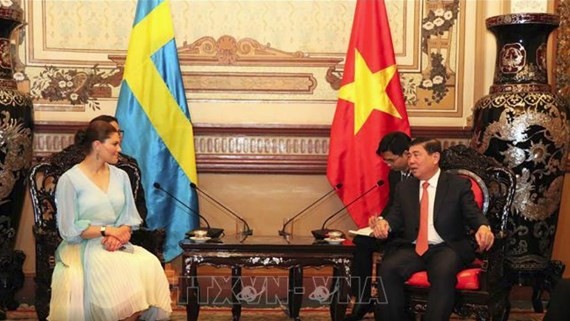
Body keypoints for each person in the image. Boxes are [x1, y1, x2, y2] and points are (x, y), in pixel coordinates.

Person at [48, 121, 171, 321]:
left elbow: (129, 217)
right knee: (118, 273)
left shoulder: (121, 176)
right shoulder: (69, 180)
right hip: (82, 246)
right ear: (97, 145)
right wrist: (107, 230)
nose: (119, 149)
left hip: (118, 244)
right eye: (114, 144)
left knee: (149, 263)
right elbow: (69, 229)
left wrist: (121, 234)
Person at [373, 138, 494, 321]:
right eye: (409, 155)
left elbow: (473, 214)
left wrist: (483, 226)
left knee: (442, 272)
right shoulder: (405, 187)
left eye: (416, 155)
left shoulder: (457, 185)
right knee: (388, 269)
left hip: (446, 246)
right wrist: (385, 223)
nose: (411, 161)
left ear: (435, 157)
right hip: (413, 248)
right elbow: (395, 216)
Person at [344, 131, 411, 321]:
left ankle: (390, 305)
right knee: (362, 241)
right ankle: (363, 298)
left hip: (411, 232)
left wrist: (388, 224)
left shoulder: (423, 174)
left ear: (407, 154)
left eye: (391, 160)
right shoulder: (395, 174)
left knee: (391, 249)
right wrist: (380, 219)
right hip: (393, 227)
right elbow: (393, 204)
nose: (388, 165)